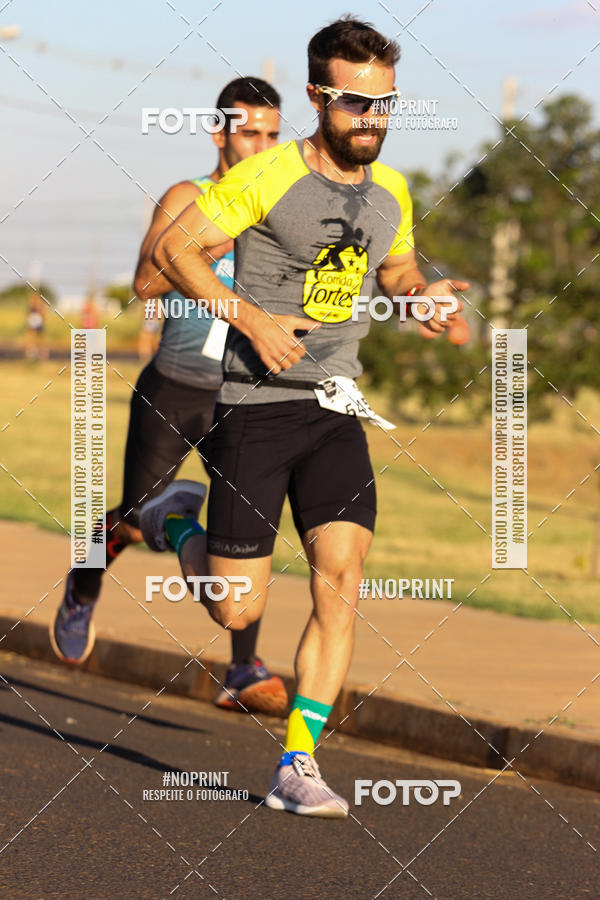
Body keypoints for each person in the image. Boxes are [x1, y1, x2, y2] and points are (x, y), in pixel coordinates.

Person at [147, 15, 468, 818]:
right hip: (253, 410)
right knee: (236, 609)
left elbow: (393, 263)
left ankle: (298, 763)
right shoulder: (267, 178)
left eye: (386, 104)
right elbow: (175, 253)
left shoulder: (392, 191)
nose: (373, 119)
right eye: (357, 103)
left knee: (343, 580)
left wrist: (416, 295)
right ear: (321, 98)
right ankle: (180, 520)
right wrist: (250, 319)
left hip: (333, 409)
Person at [50, 77, 287, 717]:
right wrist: (207, 244)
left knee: (247, 530)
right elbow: (144, 282)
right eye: (250, 132)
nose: (264, 144)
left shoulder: (283, 206)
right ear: (221, 134)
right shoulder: (192, 197)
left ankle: (242, 667)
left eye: (273, 133)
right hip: (175, 386)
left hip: (242, 397)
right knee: (136, 515)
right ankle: (84, 581)